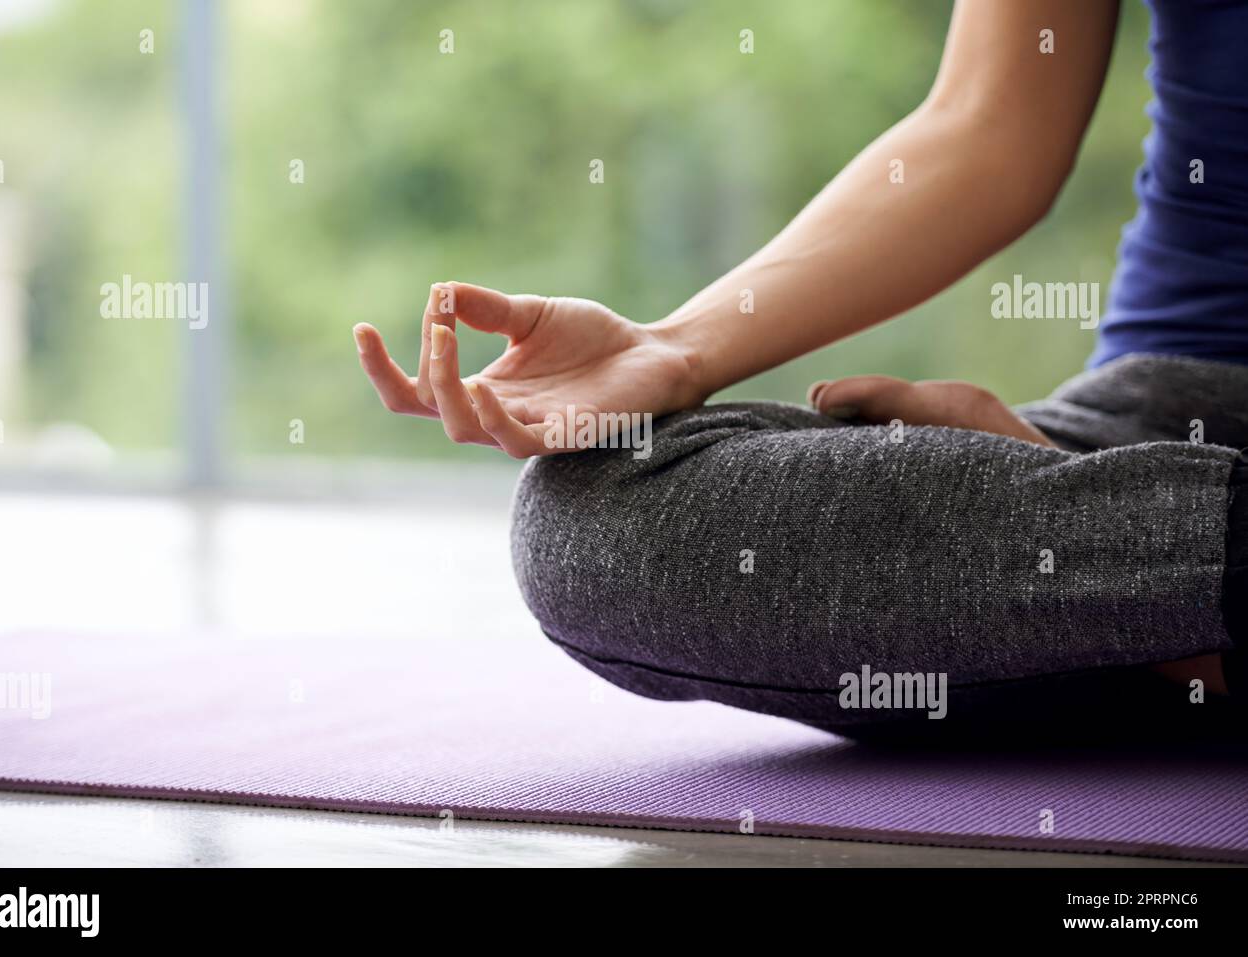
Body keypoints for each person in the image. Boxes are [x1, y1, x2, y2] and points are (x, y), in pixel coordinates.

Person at [352, 0, 1246, 737]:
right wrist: (675, 347)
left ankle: (1155, 625)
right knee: (591, 524)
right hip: (1164, 428)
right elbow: (988, 124)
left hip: (1162, 513)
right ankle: (1178, 617)